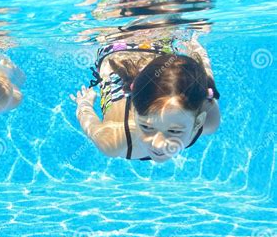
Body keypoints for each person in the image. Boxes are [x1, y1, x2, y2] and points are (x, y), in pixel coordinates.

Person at [70, 31, 220, 162]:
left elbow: (206, 82)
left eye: (175, 131)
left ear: (198, 122)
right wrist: (84, 104)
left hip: (126, 48)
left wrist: (85, 105)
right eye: (146, 127)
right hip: (143, 49)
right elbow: (204, 75)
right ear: (134, 113)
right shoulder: (115, 140)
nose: (158, 144)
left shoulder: (208, 118)